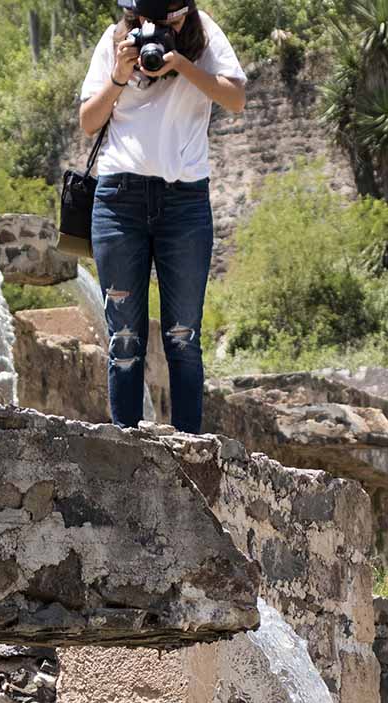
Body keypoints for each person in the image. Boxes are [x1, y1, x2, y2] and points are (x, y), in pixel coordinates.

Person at [78, 0, 246, 435]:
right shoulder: (117, 40)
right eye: (145, 17)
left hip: (184, 204)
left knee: (183, 337)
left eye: (168, 17)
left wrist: (182, 64)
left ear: (184, 11)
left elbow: (236, 99)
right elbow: (88, 121)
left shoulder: (204, 34)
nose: (155, 26)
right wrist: (119, 73)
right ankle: (126, 451)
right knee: (124, 341)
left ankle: (191, 453)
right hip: (119, 202)